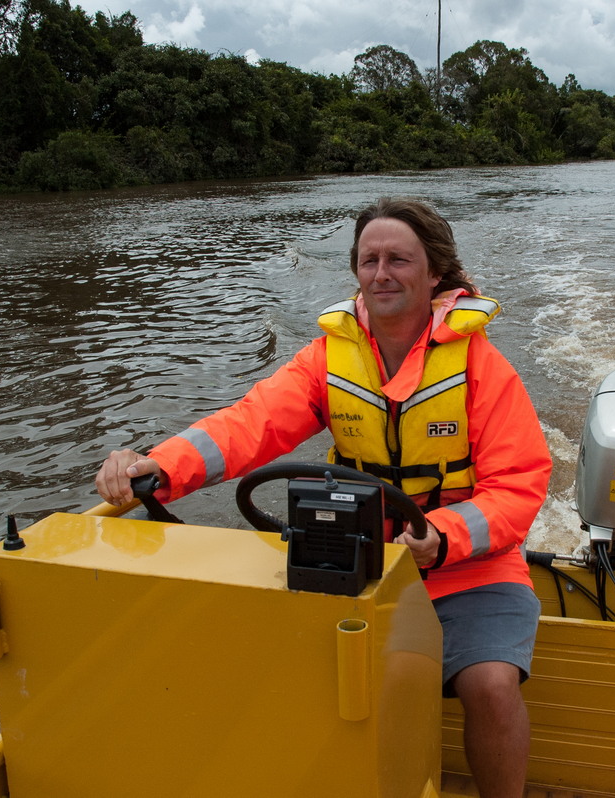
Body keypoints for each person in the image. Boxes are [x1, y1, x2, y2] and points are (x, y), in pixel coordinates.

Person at [96, 198, 552, 798]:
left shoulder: (483, 369)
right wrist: (160, 465)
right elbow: (250, 424)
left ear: (434, 272)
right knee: (286, 677)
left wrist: (442, 538)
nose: (381, 272)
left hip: (471, 567)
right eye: (369, 260)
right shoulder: (327, 362)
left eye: (398, 259)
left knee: (491, 684)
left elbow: (519, 486)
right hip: (357, 560)